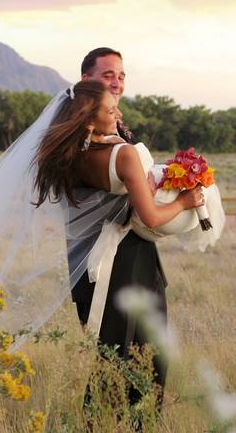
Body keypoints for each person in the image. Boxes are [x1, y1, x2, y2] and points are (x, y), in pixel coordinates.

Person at [34, 79, 202, 408]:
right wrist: (185, 201)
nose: (118, 114)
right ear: (87, 119)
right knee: (147, 357)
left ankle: (100, 424)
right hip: (125, 266)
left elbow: (105, 203)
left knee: (109, 361)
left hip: (87, 268)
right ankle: (138, 424)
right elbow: (151, 217)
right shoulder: (122, 154)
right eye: (110, 111)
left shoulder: (68, 155)